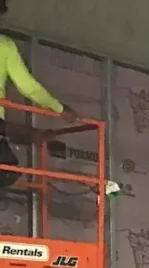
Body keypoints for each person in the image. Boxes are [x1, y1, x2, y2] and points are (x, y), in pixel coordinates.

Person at [0, 0, 79, 190]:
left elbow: (28, 87)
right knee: (6, 170)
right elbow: (28, 86)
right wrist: (59, 108)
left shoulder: (5, 46)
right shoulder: (4, 46)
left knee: (7, 170)